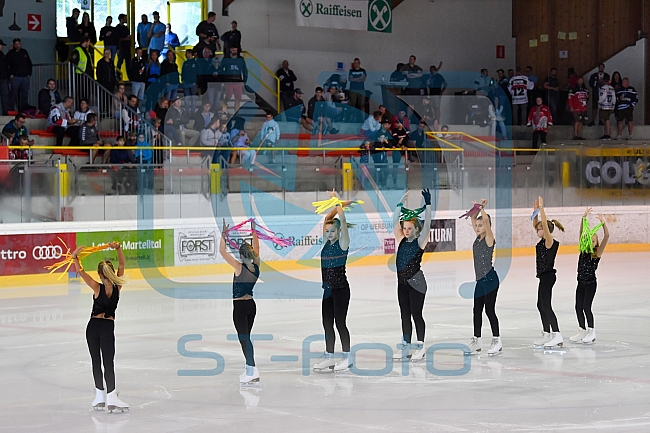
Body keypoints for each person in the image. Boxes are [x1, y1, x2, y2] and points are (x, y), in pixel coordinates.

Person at [70, 241, 129, 412]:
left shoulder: (96, 287)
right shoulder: (117, 287)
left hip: (92, 327)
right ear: (111, 272)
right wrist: (118, 248)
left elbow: (80, 271)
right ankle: (111, 396)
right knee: (108, 362)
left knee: (96, 361)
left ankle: (100, 395)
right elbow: (123, 264)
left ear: (99, 273)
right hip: (106, 328)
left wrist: (75, 257)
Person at [313, 190, 353, 372]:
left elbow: (342, 221)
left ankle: (347, 357)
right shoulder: (326, 242)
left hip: (341, 290)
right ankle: (329, 357)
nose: (328, 233)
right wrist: (339, 206)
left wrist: (337, 201)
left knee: (340, 323)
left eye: (332, 231)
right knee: (327, 323)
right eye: (327, 231)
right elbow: (327, 218)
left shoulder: (343, 243)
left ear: (338, 231)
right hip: (328, 290)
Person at [392, 189, 432, 361]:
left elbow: (428, 224)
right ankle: (406, 347)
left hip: (417, 283)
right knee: (404, 315)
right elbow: (395, 221)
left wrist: (428, 205)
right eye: (405, 228)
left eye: (409, 228)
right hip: (402, 284)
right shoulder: (401, 239)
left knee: (416, 314)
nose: (406, 231)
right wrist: (400, 204)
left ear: (416, 228)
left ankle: (421, 346)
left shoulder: (420, 241)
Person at [219, 219, 261, 384]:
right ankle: (249, 369)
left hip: (240, 308)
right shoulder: (256, 265)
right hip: (251, 306)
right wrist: (254, 232)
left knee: (244, 339)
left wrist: (224, 234)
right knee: (246, 339)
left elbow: (222, 252)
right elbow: (256, 248)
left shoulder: (238, 266)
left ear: (242, 255)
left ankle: (252, 370)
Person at [465, 199, 501, 355]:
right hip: (480, 281)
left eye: (481, 225)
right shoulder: (478, 237)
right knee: (476, 310)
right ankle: (477, 341)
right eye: (477, 226)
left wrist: (482, 209)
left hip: (491, 280)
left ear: (487, 226)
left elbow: (484, 219)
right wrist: (476, 208)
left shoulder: (489, 238)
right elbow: (473, 218)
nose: (478, 227)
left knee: (489, 310)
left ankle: (497, 340)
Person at [570, 208, 608, 345]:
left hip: (590, 284)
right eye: (590, 240)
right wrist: (583, 217)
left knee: (586, 307)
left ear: (596, 243)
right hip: (580, 283)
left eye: (594, 241)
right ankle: (582, 330)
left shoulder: (596, 253)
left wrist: (603, 223)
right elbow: (581, 232)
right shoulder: (582, 250)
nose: (591, 243)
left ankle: (591, 331)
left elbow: (607, 237)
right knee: (578, 307)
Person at [532, 196, 565, 348]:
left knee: (546, 305)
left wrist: (542, 209)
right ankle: (547, 333)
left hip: (548, 277)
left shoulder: (549, 242)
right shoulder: (541, 242)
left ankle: (556, 334)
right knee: (540, 305)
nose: (537, 229)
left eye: (539, 228)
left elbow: (543, 225)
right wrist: (535, 211)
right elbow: (537, 224)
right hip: (543, 277)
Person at [218, 47, 248, 112]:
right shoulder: (226, 59)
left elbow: (244, 70)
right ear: (230, 50)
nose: (234, 51)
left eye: (236, 50)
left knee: (238, 99)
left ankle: (236, 113)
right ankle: (223, 109)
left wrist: (244, 81)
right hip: (229, 80)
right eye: (233, 50)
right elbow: (220, 69)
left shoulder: (241, 59)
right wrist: (223, 79)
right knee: (228, 95)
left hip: (238, 81)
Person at [6, 38, 32, 112]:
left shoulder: (24, 52)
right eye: (16, 44)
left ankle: (23, 109)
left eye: (19, 43)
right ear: (14, 45)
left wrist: (29, 74)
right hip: (15, 77)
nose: (17, 45)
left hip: (25, 77)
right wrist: (10, 74)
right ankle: (11, 110)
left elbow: (29, 63)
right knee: (13, 94)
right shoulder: (11, 53)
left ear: (21, 44)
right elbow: (6, 64)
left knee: (24, 94)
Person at [390, 121, 409, 188]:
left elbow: (407, 139)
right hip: (397, 151)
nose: (397, 124)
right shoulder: (394, 131)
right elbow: (395, 140)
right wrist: (400, 145)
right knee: (395, 167)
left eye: (399, 123)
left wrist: (403, 140)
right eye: (396, 123)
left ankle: (405, 185)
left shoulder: (405, 130)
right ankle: (394, 183)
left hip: (404, 151)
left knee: (405, 167)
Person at [0, 39, 9, 115]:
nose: (1, 47)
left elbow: (6, 66)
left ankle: (5, 113)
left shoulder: (3, 55)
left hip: (3, 78)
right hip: (3, 78)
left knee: (5, 97)